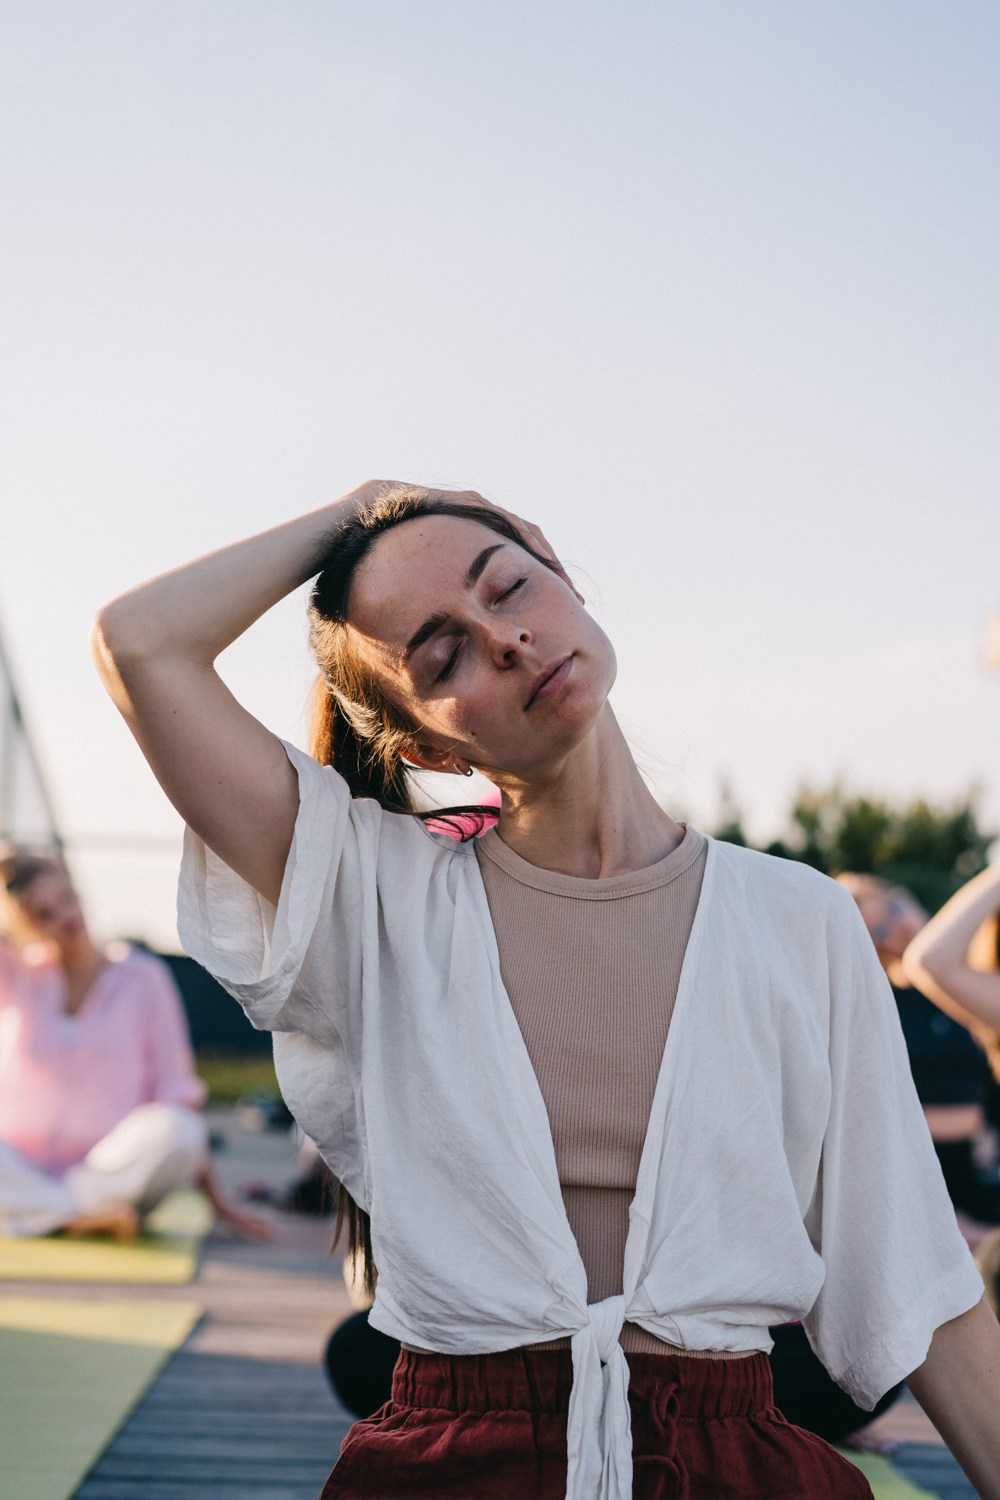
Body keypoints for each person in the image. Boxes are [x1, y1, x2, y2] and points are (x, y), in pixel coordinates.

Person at [92, 481, 1000, 1500]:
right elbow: (141, 644)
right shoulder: (374, 895)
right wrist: (363, 507)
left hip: (734, 1458)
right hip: (455, 1464)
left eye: (509, 587)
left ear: (561, 573)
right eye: (443, 658)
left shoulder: (799, 917)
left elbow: (916, 1279)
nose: (506, 641)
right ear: (427, 747)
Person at [0, 847, 266, 1240]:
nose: (65, 917)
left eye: (66, 899)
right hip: (22, 1165)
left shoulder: (144, 977)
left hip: (116, 1173)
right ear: (23, 926)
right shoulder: (17, 977)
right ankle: (76, 1217)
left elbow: (178, 1093)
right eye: (44, 914)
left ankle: (43, 1211)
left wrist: (217, 1201)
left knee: (182, 1130)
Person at [838, 872, 1000, 1236]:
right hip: (930, 1182)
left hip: (986, 1169)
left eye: (895, 907)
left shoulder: (978, 972)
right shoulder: (881, 1007)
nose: (899, 925)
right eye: (880, 929)